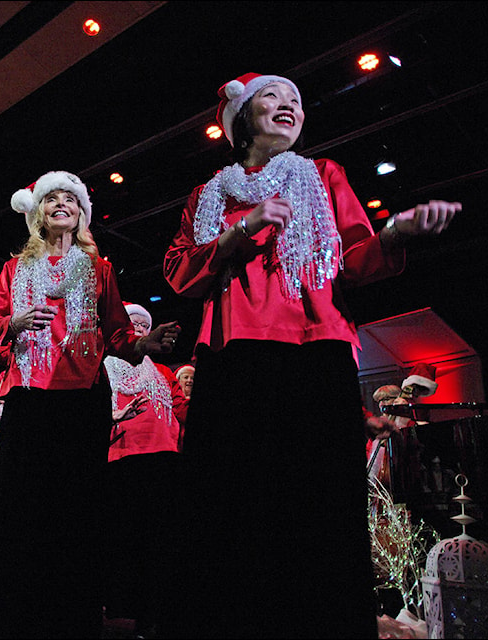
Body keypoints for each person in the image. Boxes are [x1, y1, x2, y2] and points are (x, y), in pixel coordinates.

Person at [161, 72, 460, 638]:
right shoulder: (209, 194)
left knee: (319, 506)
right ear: (241, 117)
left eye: (296, 100)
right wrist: (236, 234)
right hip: (235, 352)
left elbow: (352, 259)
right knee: (230, 503)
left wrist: (394, 234)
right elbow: (179, 274)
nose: (290, 106)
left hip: (315, 349)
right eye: (273, 97)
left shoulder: (324, 176)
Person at [0, 171, 179, 638]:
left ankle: (63, 621)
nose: (62, 204)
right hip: (29, 398)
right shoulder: (14, 270)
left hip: (81, 404)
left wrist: (145, 343)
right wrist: (14, 323)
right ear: (38, 212)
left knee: (73, 520)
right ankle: (7, 619)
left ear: (81, 216)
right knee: (16, 513)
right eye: (52, 199)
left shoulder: (99, 269)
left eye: (70, 200)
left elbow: (118, 334)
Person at [100, 303, 188, 639]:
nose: (137, 327)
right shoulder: (105, 367)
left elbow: (182, 408)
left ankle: (150, 613)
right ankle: (118, 605)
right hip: (120, 457)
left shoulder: (163, 372)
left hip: (163, 459)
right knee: (121, 539)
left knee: (158, 542)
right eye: (131, 322)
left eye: (143, 323)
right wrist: (113, 417)